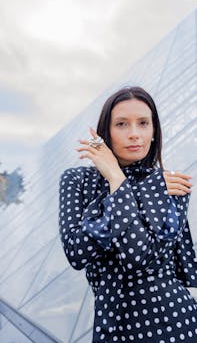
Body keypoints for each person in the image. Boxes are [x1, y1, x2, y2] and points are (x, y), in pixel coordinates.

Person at [59, 86, 197, 343]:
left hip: (174, 323)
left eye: (143, 123)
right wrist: (119, 179)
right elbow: (76, 252)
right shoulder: (76, 180)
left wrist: (118, 181)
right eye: (122, 124)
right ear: (106, 133)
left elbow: (137, 255)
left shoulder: (171, 184)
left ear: (154, 132)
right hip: (112, 325)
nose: (134, 134)